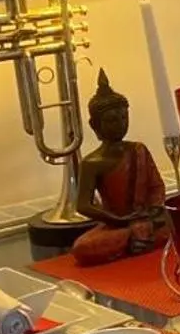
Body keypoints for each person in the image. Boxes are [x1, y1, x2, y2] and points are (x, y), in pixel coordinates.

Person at [71, 71, 170, 264]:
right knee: (82, 248)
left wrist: (154, 210)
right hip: (116, 225)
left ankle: (138, 237)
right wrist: (116, 219)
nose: (120, 124)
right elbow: (83, 205)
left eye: (124, 118)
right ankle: (135, 237)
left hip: (147, 218)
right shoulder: (92, 162)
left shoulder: (138, 150)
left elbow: (156, 187)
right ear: (94, 125)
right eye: (112, 120)